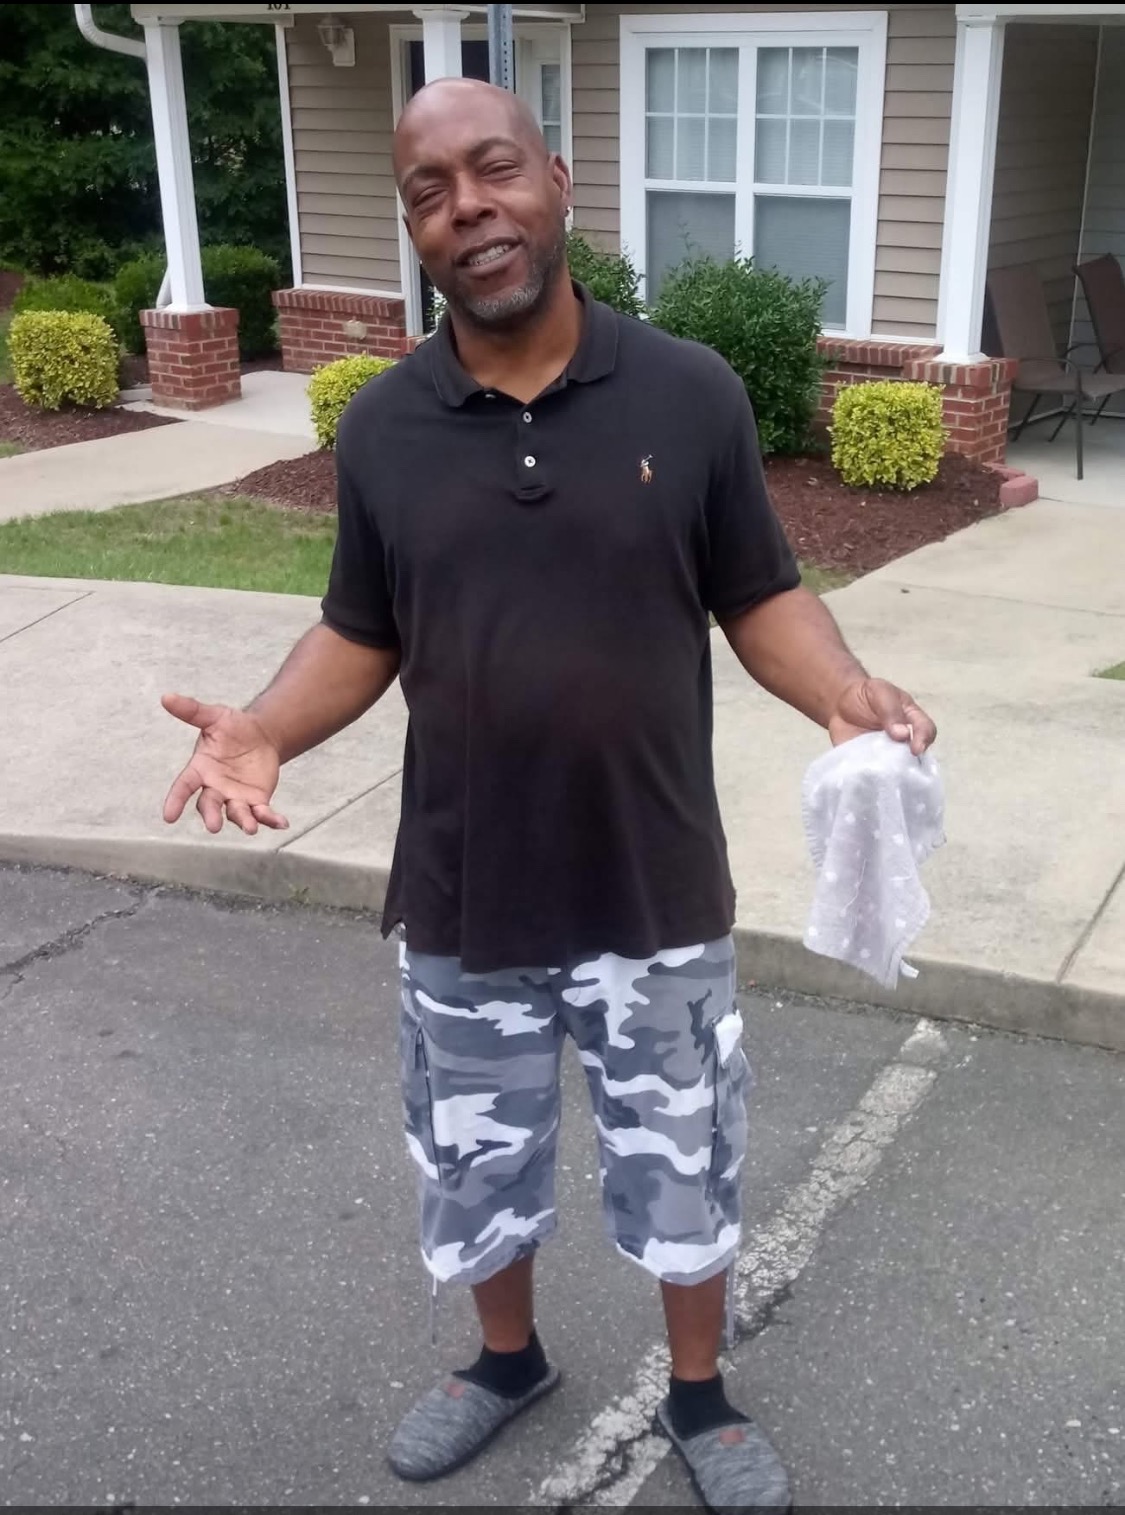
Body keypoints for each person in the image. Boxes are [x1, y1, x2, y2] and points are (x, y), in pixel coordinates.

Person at [162, 78, 936, 1511]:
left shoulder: (688, 393)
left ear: (557, 182)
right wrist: (263, 729)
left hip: (652, 881)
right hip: (466, 889)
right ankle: (506, 1361)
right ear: (415, 226)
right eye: (431, 192)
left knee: (684, 1159)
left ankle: (698, 1395)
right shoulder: (384, 425)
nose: (469, 208)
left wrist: (840, 689)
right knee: (476, 1162)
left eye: (495, 170)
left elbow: (758, 593)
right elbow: (360, 629)